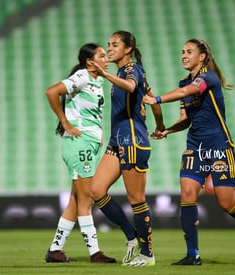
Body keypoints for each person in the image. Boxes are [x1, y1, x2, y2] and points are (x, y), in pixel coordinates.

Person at [143, 38, 235, 266]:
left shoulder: (208, 78)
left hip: (219, 146)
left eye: (189, 52)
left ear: (202, 56)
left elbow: (189, 90)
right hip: (195, 146)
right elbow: (186, 119)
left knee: (226, 203)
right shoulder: (185, 81)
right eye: (182, 51)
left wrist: (157, 99)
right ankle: (193, 255)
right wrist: (168, 131)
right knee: (187, 195)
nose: (184, 55)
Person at [90, 30, 165, 267]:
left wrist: (105, 75)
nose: (109, 48)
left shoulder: (132, 70)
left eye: (114, 45)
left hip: (132, 140)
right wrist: (160, 125)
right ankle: (131, 235)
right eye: (108, 45)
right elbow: (152, 98)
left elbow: (132, 88)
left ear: (128, 49)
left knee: (136, 199)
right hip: (117, 140)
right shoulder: (123, 72)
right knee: (97, 190)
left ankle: (148, 254)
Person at [45, 43, 116, 264]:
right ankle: (95, 253)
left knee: (75, 202)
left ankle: (55, 250)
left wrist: (98, 135)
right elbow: (52, 92)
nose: (106, 58)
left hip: (90, 143)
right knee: (87, 199)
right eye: (102, 56)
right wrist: (65, 122)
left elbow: (91, 113)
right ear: (89, 61)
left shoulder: (98, 80)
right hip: (79, 144)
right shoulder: (82, 76)